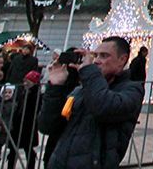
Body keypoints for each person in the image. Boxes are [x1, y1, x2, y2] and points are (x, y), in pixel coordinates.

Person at [36, 37, 143, 169]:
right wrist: (56, 88)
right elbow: (47, 126)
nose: (97, 60)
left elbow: (103, 107)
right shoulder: (80, 90)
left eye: (104, 56)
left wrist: (88, 71)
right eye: (95, 55)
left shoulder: (132, 90)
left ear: (122, 60)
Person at [3, 70, 41, 169]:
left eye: (27, 81)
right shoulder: (23, 92)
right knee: (13, 150)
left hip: (28, 126)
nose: (25, 83)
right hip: (18, 125)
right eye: (24, 80)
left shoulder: (35, 94)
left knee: (28, 150)